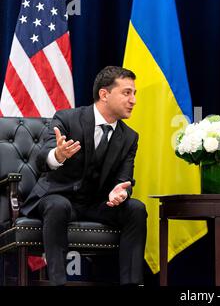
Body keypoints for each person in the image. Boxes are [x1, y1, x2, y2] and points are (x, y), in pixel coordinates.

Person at [21, 66, 147, 286]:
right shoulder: (68, 118)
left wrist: (122, 192)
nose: (133, 100)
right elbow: (41, 160)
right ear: (104, 94)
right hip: (59, 196)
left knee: (136, 209)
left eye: (134, 93)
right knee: (57, 205)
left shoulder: (129, 137)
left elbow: (124, 180)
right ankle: (58, 282)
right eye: (127, 93)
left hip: (97, 204)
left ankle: (132, 283)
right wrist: (57, 155)